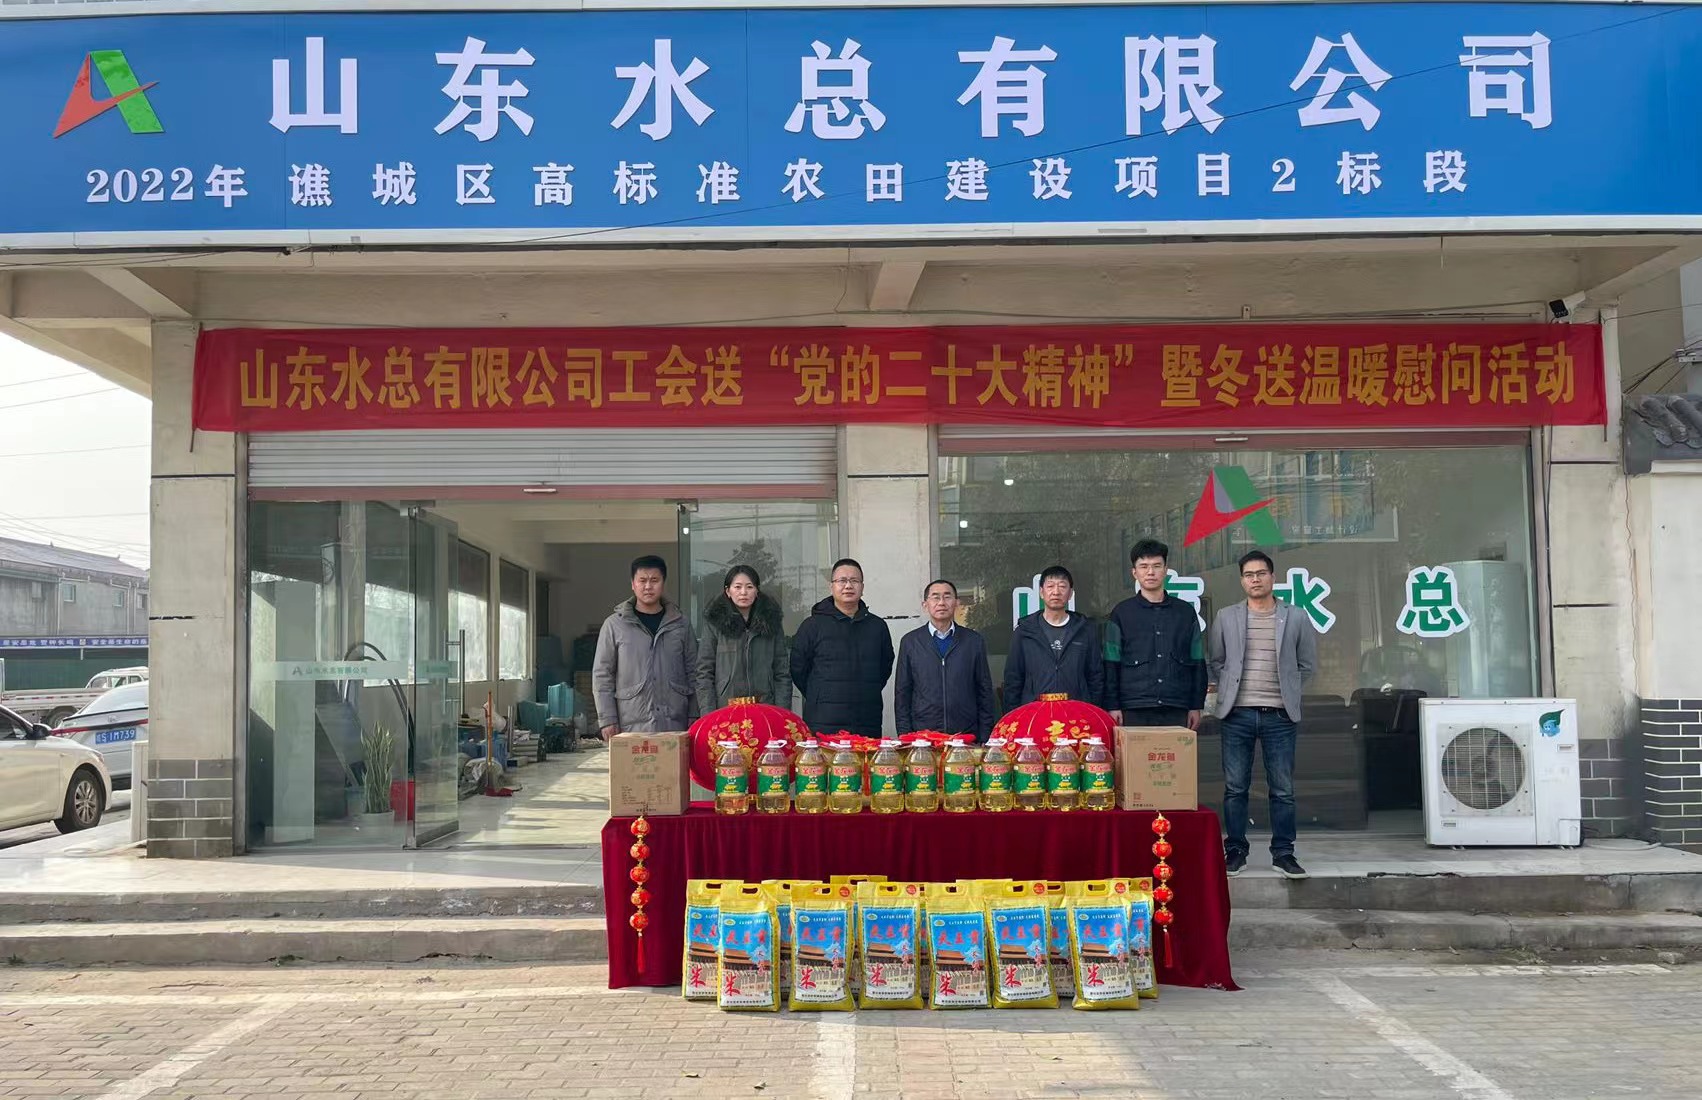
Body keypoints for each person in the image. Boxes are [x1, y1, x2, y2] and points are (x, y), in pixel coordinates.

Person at [1207, 549, 1319, 880]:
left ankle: (1284, 854)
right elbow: (1216, 661)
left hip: (1280, 716)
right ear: (1242, 581)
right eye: (1248, 575)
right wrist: (1229, 690)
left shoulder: (1295, 617)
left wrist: (1287, 688)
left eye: (1261, 573)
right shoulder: (1226, 616)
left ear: (1272, 577)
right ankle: (1235, 851)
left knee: (1282, 789)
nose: (1255, 580)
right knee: (1235, 787)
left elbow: (1307, 665)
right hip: (1237, 714)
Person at [1104, 538, 1207, 730]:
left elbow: (1197, 661)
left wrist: (1196, 705)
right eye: (1143, 566)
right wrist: (1112, 705)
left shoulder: (1185, 612)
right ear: (1134, 572)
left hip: (1176, 705)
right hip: (1133, 707)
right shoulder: (1121, 613)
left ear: (1166, 569)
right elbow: (1111, 663)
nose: (1150, 572)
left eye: (1156, 566)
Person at [593, 555, 696, 740]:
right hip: (630, 724)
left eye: (654, 580)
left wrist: (694, 713)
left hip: (674, 722)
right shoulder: (614, 625)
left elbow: (694, 671)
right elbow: (602, 674)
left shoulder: (681, 624)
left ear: (663, 583)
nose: (648, 586)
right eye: (642, 580)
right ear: (633, 584)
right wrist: (607, 719)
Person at [789, 558, 895, 736]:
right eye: (842, 581)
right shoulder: (812, 625)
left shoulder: (877, 626)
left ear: (862, 587)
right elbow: (798, 668)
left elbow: (884, 668)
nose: (848, 586)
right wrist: (820, 693)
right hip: (823, 720)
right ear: (831, 587)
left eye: (854, 581)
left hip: (866, 719)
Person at [895, 579, 997, 741]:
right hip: (923, 736)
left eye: (947, 597)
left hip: (966, 734)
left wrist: (985, 735)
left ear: (956, 603)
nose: (941, 602)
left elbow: (984, 690)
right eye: (935, 597)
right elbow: (903, 692)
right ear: (925, 604)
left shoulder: (973, 641)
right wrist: (905, 734)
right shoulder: (911, 642)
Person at [1003, 565, 1105, 710]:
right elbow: (1013, 678)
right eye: (1050, 586)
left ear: (1070, 593)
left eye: (1062, 586)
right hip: (1034, 711)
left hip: (1076, 711)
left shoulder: (1085, 630)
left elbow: (1095, 676)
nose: (1056, 592)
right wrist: (1013, 714)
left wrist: (1092, 710)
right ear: (1041, 592)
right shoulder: (1025, 631)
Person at [695, 564, 792, 713]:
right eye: (737, 587)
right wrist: (708, 713)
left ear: (757, 591)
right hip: (726, 709)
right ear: (728, 591)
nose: (743, 592)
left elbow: (782, 672)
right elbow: (704, 673)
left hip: (765, 707)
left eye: (749, 587)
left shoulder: (771, 623)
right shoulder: (714, 624)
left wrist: (782, 712)